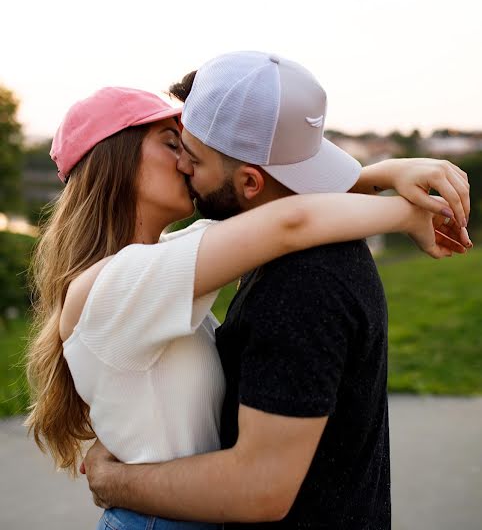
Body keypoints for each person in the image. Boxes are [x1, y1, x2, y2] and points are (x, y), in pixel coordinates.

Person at [77, 53, 471, 530]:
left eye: (191, 153)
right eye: (174, 145)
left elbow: (259, 488)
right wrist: (386, 183)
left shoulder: (303, 282)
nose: (183, 163)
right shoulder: (264, 254)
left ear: (248, 181)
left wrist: (113, 481)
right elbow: (287, 213)